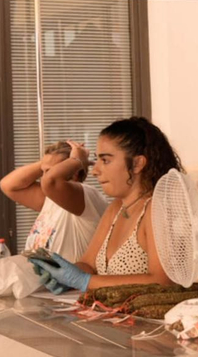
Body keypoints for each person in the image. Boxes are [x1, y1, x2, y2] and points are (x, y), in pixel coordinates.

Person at [33, 117, 184, 293]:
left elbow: (163, 281)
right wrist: (62, 272)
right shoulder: (116, 208)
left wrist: (85, 281)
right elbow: (88, 264)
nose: (95, 170)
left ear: (137, 164)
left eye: (105, 160)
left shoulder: (157, 210)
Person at [0, 140, 108, 259]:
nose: (43, 177)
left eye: (50, 171)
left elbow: (51, 181)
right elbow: (9, 185)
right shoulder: (50, 198)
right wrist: (46, 162)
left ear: (75, 172)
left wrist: (76, 161)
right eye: (43, 171)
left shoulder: (86, 195)